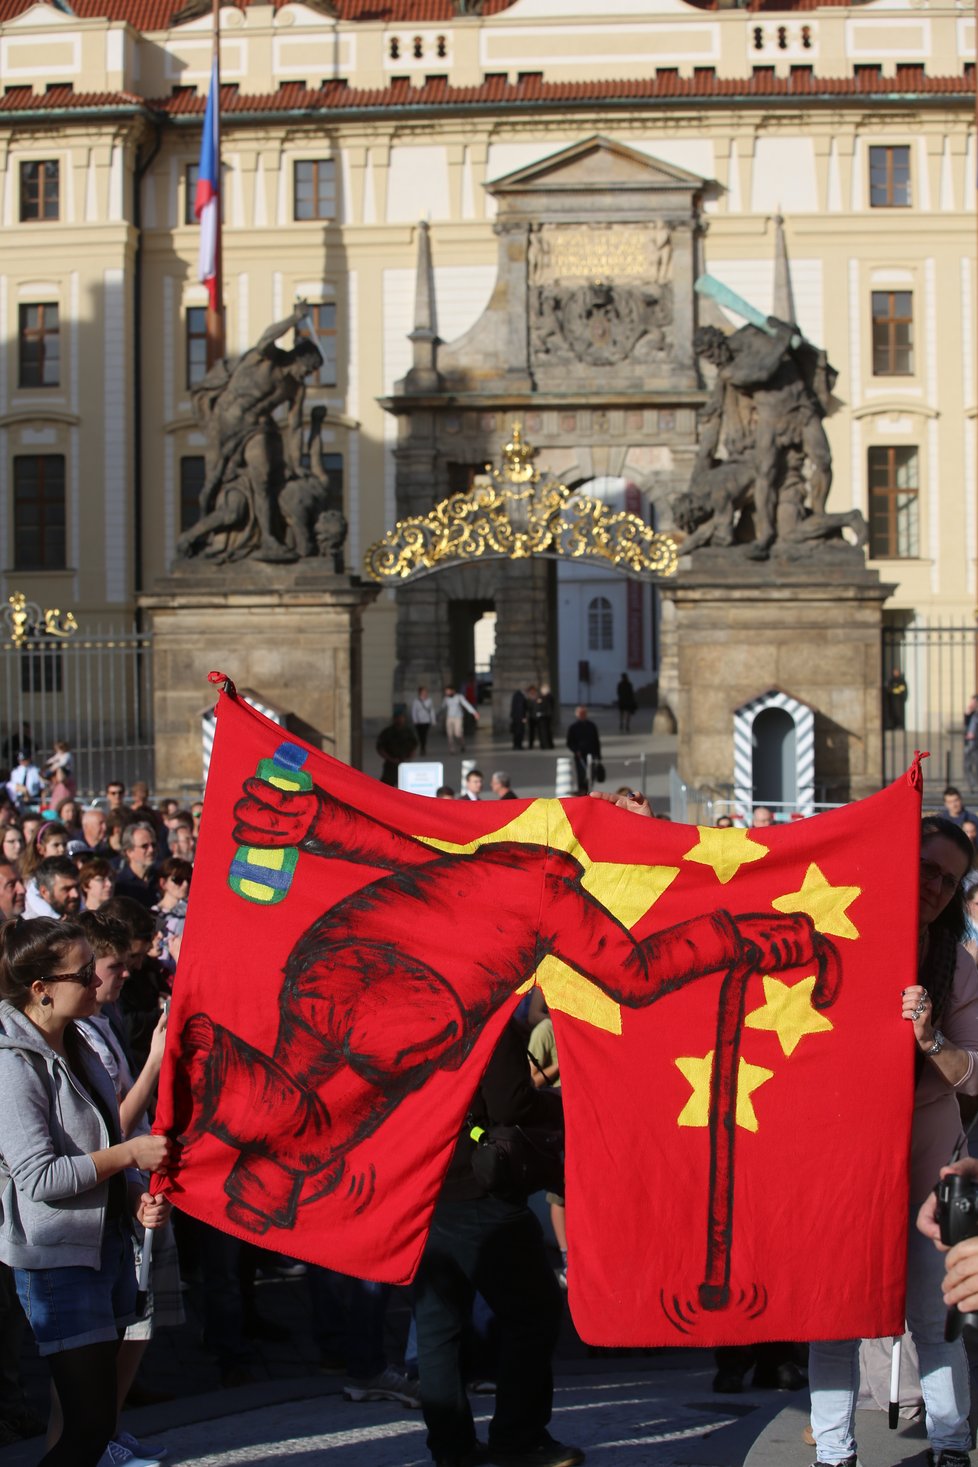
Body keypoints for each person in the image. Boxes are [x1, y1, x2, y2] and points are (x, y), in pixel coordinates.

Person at [808, 815, 978, 1467]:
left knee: (937, 1315)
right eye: (928, 867)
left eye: (952, 879)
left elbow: (975, 1070)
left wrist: (930, 1038)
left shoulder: (955, 966)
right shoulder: (839, 933)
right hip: (841, 1156)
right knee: (833, 1313)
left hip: (927, 1160)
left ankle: (950, 1444)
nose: (936, 885)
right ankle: (833, 1451)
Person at [0, 917, 171, 1467]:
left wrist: (135, 1197)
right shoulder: (11, 1062)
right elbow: (40, 1177)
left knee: (94, 1426)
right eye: (85, 976)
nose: (98, 983)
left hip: (103, 1247)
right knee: (89, 1427)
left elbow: (103, 1142)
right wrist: (128, 1157)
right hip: (58, 1260)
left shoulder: (77, 1041)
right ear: (41, 988)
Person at [414, 1019, 582, 1467]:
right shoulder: (488, 1015)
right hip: (478, 1191)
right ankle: (519, 1439)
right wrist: (553, 1106)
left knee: (437, 1328)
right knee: (535, 1312)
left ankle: (451, 1447)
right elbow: (509, 1102)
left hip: (422, 1186)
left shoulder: (413, 1008)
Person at [114, 824, 160, 911]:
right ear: (129, 852)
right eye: (144, 846)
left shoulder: (161, 878)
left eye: (153, 845)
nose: (151, 850)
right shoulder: (120, 884)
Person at [376, 713, 418, 787]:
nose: (400, 720)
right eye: (398, 718)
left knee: (406, 785)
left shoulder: (409, 732)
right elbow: (380, 748)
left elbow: (414, 745)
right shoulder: (387, 732)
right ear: (394, 719)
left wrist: (409, 757)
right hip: (391, 764)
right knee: (386, 786)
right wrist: (390, 759)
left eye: (402, 718)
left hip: (405, 763)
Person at [565, 707, 601, 795]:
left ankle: (588, 790)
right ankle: (582, 790)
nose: (582, 716)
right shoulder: (573, 727)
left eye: (584, 714)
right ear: (577, 715)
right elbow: (569, 742)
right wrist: (576, 750)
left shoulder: (591, 726)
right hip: (580, 755)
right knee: (581, 773)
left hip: (591, 753)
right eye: (580, 714)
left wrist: (598, 755)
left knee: (591, 774)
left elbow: (596, 740)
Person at [442, 685, 479, 755]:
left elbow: (466, 705)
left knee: (457, 733)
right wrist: (436, 715)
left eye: (448, 691)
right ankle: (452, 749)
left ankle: (462, 744)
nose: (447, 693)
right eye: (446, 692)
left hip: (458, 718)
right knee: (449, 734)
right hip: (449, 718)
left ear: (452, 691)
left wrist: (474, 713)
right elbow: (442, 707)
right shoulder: (446, 699)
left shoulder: (459, 697)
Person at [412, 687, 436, 757]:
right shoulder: (416, 701)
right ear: (420, 693)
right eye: (423, 692)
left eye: (426, 692)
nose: (425, 693)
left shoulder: (429, 700)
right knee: (420, 735)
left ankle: (423, 748)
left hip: (427, 720)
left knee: (424, 735)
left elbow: (431, 710)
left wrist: (433, 720)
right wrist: (415, 719)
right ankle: (422, 746)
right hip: (419, 721)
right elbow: (414, 711)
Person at [536, 684, 555, 751]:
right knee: (542, 731)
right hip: (542, 716)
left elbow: (551, 706)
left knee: (547, 731)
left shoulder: (549, 697)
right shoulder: (541, 697)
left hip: (546, 716)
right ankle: (544, 744)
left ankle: (548, 744)